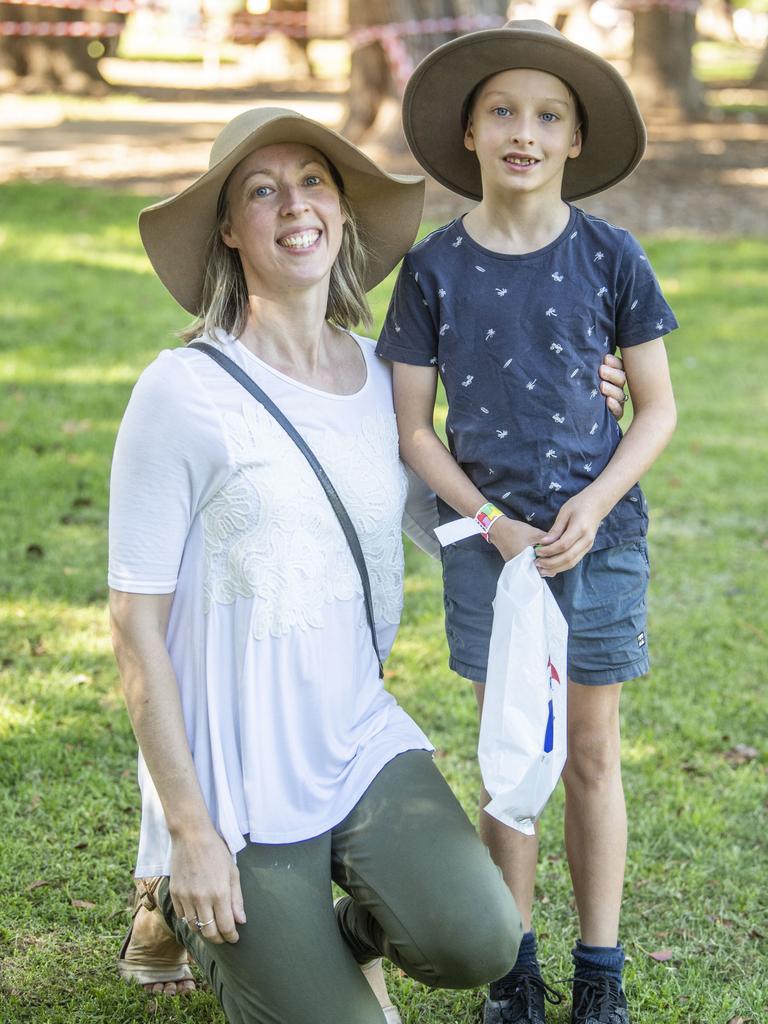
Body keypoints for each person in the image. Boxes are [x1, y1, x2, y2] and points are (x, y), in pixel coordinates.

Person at [109, 105, 529, 1024]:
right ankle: (179, 900)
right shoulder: (181, 392)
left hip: (352, 737)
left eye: (313, 183)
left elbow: (462, 508)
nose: (293, 205)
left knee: (482, 938)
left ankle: (314, 931)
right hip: (232, 777)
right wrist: (189, 829)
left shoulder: (389, 382)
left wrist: (589, 399)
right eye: (261, 190)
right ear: (228, 228)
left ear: (340, 211)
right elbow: (134, 624)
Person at [376, 21, 678, 1024]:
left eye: (549, 116)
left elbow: (658, 407)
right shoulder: (432, 270)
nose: (524, 132)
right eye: (502, 110)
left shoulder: (612, 255)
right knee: (511, 750)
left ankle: (601, 970)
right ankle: (513, 970)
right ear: (468, 131)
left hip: (601, 541)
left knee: (589, 750)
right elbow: (414, 430)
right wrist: (491, 521)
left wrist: (593, 503)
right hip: (489, 549)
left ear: (575, 141)